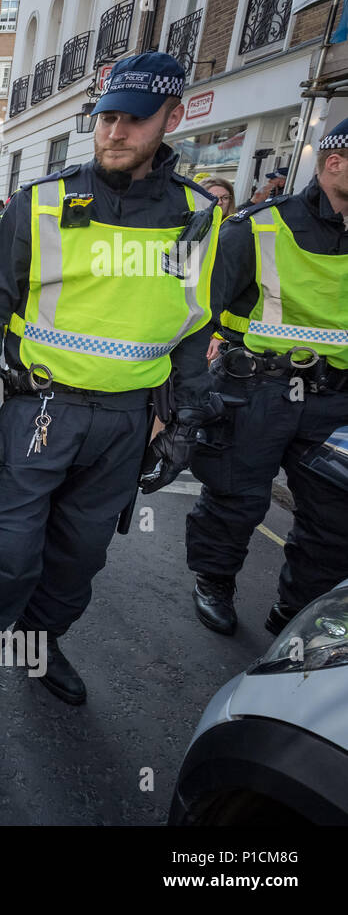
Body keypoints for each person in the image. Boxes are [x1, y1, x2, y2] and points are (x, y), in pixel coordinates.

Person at [0, 52, 222, 735]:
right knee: (5, 551)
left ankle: (38, 647)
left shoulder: (195, 217)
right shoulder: (42, 203)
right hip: (40, 412)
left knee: (77, 558)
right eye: (107, 118)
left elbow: (188, 324)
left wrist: (187, 420)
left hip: (126, 423)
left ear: (173, 118)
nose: (115, 132)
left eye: (133, 119)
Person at [186, 117, 348, 637]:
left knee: (334, 520)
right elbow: (196, 309)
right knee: (235, 499)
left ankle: (297, 612)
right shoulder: (257, 226)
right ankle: (214, 582)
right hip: (256, 390)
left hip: (335, 401)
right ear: (335, 162)